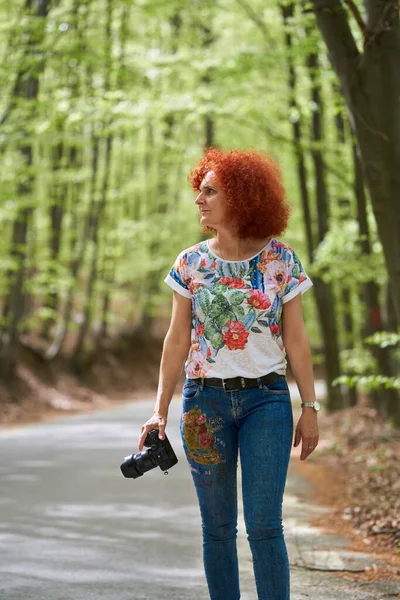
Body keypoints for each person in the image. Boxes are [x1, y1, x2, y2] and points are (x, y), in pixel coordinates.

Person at [138, 147, 319, 600]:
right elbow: (176, 340)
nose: (199, 200)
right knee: (217, 529)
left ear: (240, 197)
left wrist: (310, 406)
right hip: (204, 405)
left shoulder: (281, 260)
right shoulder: (190, 263)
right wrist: (159, 411)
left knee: (264, 526)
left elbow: (296, 339)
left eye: (209, 191)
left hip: (268, 404)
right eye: (199, 191)